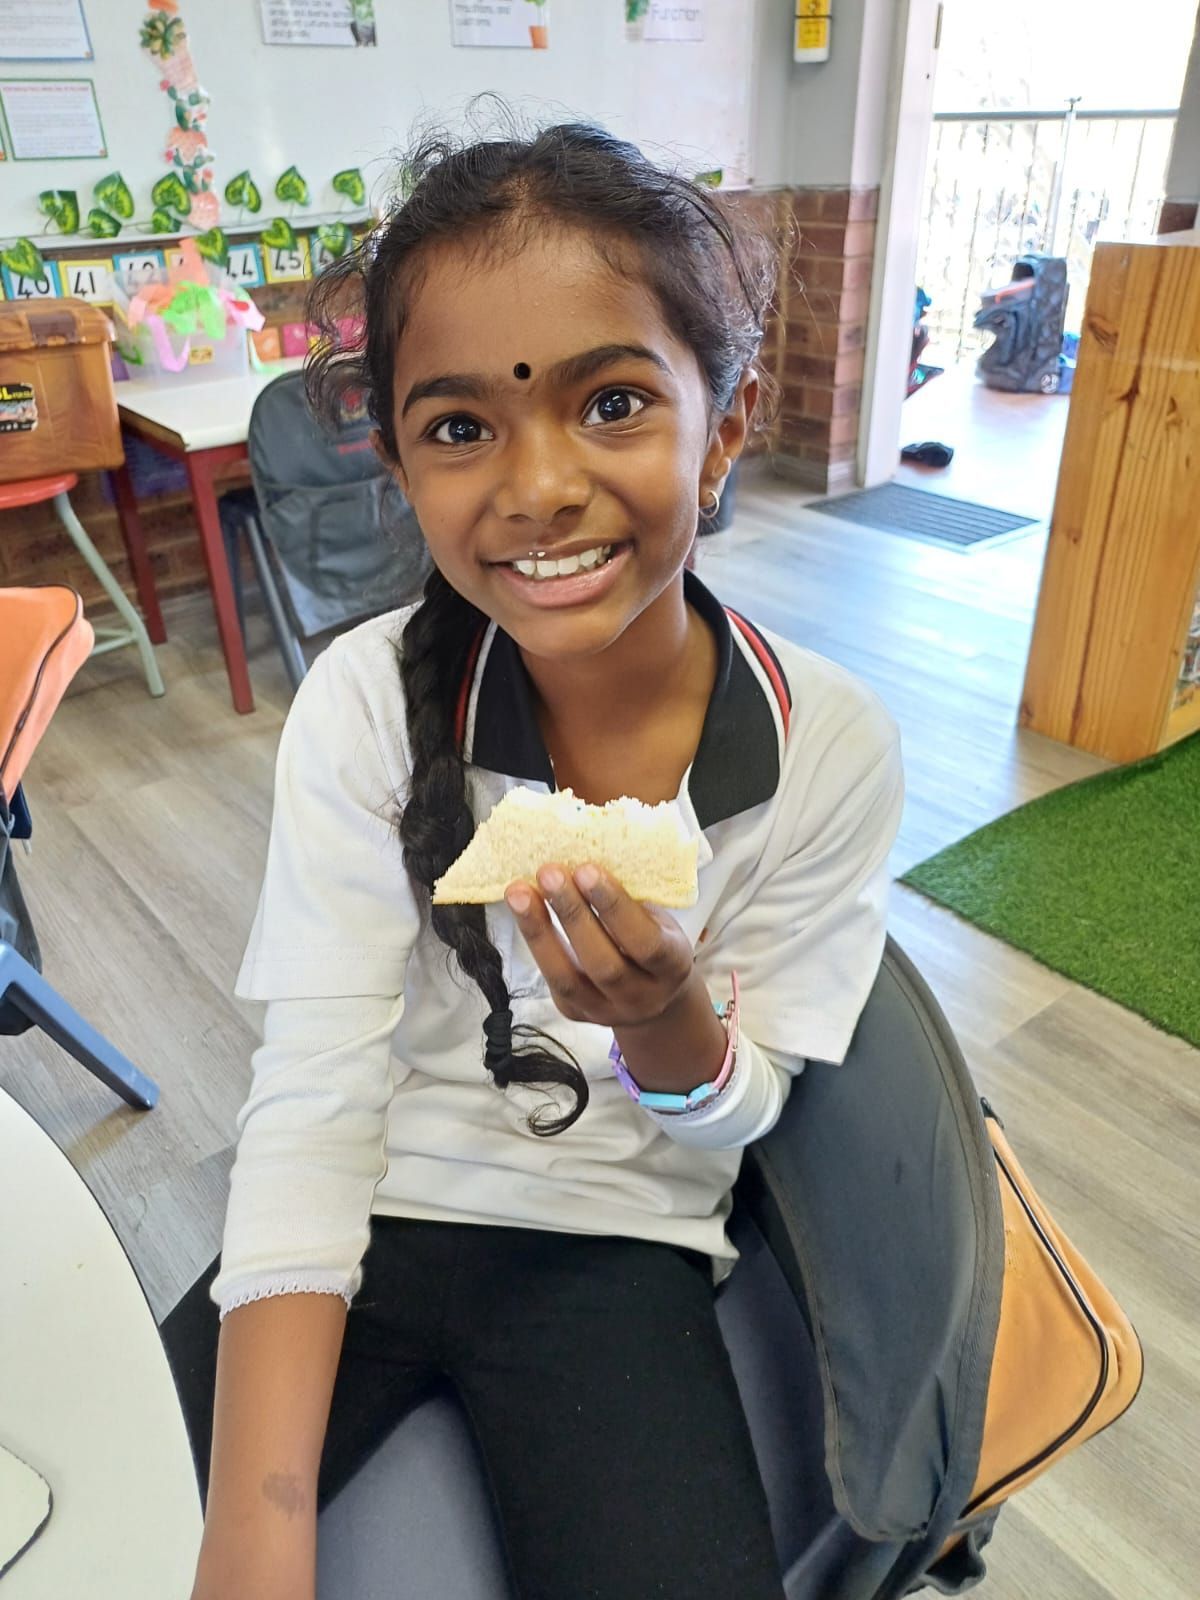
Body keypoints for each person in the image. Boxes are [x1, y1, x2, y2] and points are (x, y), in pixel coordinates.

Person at [164, 113, 905, 1600]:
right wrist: (257, 1524)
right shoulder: (369, 702)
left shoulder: (826, 747)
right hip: (361, 1210)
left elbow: (730, 1131)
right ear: (398, 460)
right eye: (461, 427)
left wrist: (669, 1028)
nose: (539, 484)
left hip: (611, 1241)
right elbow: (312, 1101)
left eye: (614, 402)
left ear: (729, 426)